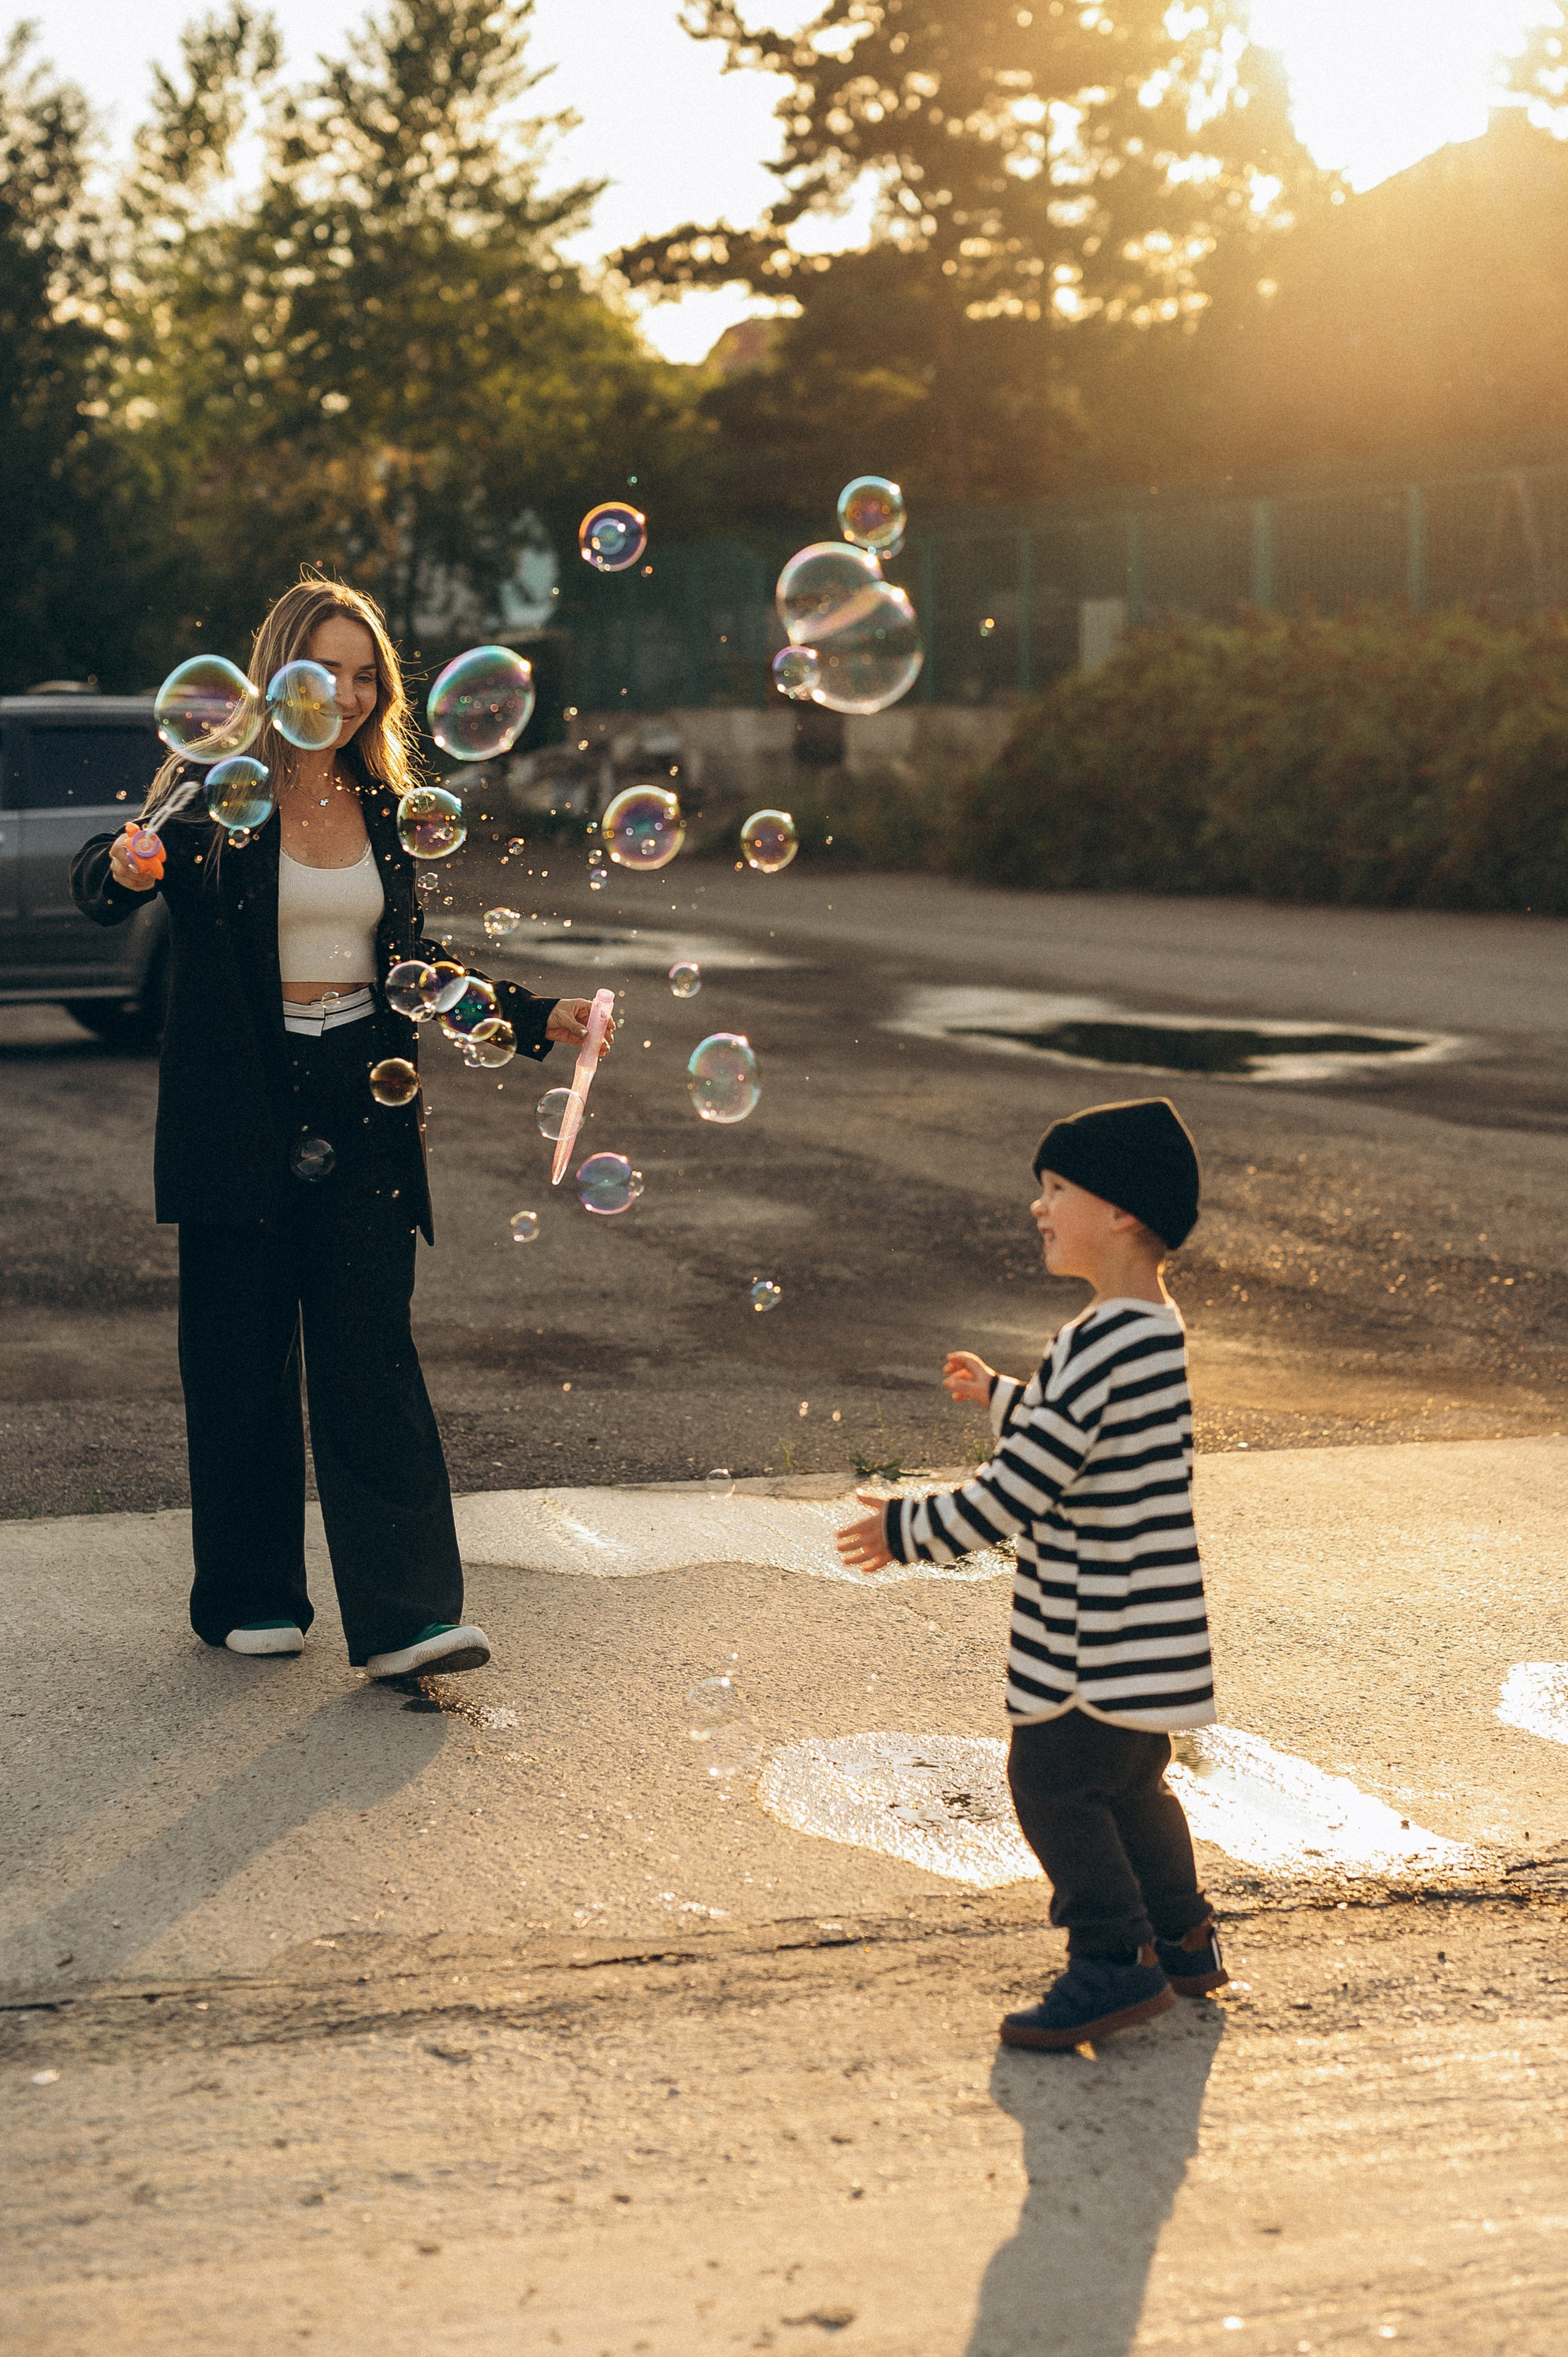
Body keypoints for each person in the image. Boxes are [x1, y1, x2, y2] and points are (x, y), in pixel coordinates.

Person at [71, 576, 612, 1681]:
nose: (355, 696)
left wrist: (530, 1017)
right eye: (332, 673)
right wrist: (124, 867)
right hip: (241, 1100)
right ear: (283, 676)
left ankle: (406, 1618)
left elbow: (418, 972)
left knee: (370, 1351)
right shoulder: (214, 791)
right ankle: (250, 1595)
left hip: (364, 1093)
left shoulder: (381, 810)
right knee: (240, 1358)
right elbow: (105, 877)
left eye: (371, 677)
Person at [835, 1096, 1227, 2051]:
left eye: (1057, 1190)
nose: (1039, 1209)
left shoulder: (1096, 1341)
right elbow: (1091, 1435)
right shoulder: (1148, 1330)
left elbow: (1023, 1488)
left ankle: (1111, 1959)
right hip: (1149, 1631)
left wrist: (908, 1529)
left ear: (1123, 1210)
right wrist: (1005, 1394)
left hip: (1090, 1637)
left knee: (1053, 1786)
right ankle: (1183, 1938)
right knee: (1135, 1785)